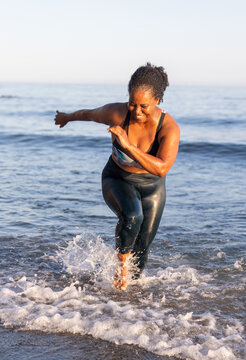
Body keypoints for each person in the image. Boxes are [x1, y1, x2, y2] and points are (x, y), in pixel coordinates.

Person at [54, 63, 180, 290]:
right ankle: (119, 272)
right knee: (132, 217)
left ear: (158, 101)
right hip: (117, 179)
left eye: (144, 106)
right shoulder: (117, 113)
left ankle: (125, 306)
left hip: (152, 188)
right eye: (132, 104)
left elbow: (161, 168)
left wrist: (127, 145)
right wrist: (66, 117)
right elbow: (89, 114)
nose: (137, 111)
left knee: (141, 253)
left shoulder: (168, 128)